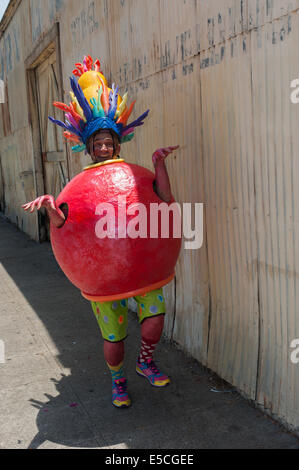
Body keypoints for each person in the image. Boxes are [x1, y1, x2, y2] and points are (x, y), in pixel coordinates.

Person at [23, 122, 179, 408]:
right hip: (102, 277)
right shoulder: (80, 186)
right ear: (90, 149)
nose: (104, 148)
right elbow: (63, 224)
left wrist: (158, 163)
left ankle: (146, 362)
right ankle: (118, 381)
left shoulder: (135, 175)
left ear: (117, 146)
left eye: (108, 143)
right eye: (98, 144)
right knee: (113, 339)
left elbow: (164, 198)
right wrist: (50, 206)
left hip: (144, 268)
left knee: (154, 320)